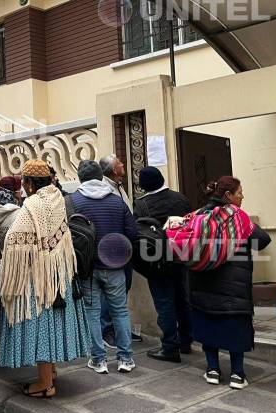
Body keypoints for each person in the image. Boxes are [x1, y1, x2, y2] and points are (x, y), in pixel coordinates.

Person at [0, 159, 91, 398]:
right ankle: (51, 372)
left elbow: (15, 241)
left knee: (40, 327)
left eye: (24, 182)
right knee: (53, 324)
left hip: (38, 278)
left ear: (29, 183)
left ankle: (45, 384)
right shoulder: (57, 198)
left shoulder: (33, 205)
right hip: (59, 275)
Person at [187, 176, 271, 389]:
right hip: (234, 288)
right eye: (239, 192)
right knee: (235, 329)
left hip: (203, 283)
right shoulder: (239, 218)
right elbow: (262, 241)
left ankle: (213, 369)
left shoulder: (198, 216)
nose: (242, 196)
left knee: (208, 326)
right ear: (228, 196)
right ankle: (237, 374)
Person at [70, 160, 138, 374]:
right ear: (101, 177)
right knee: (120, 311)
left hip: (87, 268)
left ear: (80, 178)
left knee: (92, 312)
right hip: (115, 266)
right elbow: (133, 233)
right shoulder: (117, 202)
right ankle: (125, 358)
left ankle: (98, 360)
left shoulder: (72, 201)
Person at [134, 166, 194, 362]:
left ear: (143, 186)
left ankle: (170, 347)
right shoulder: (181, 198)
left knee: (165, 302)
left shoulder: (142, 204)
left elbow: (138, 233)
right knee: (183, 299)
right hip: (181, 256)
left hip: (157, 260)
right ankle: (186, 341)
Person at [98, 154, 141, 345]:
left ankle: (120, 329)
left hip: (125, 246)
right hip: (113, 248)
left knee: (124, 288)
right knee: (110, 292)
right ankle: (107, 331)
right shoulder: (105, 189)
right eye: (120, 163)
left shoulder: (118, 185)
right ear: (114, 170)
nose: (123, 164)